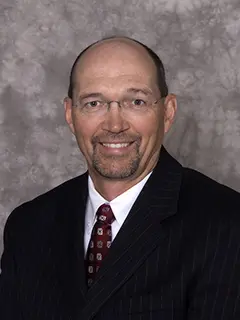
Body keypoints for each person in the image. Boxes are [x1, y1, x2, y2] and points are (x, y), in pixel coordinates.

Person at [0, 36, 239, 320]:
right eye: (93, 103)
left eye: (136, 101)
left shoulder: (227, 225)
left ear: (168, 112)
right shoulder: (28, 226)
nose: (114, 125)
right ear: (70, 114)